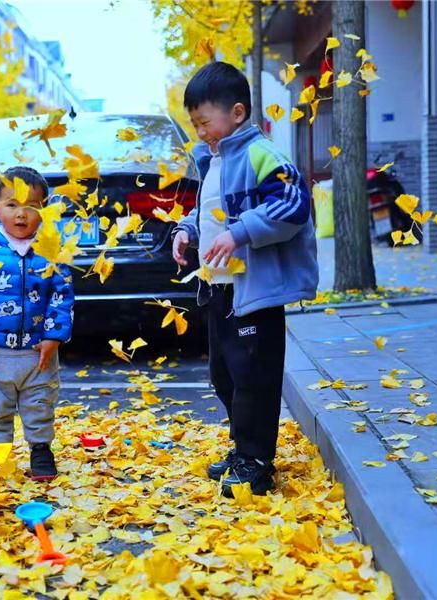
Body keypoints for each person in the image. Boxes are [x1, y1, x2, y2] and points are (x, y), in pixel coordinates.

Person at [172, 62, 318, 497]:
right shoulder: (213, 162)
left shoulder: (262, 154)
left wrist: (240, 232)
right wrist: (188, 231)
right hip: (220, 288)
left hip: (255, 290)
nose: (200, 131)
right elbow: (211, 212)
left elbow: (293, 205)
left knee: (254, 375)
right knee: (225, 374)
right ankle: (243, 449)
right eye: (194, 124)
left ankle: (256, 462)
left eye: (204, 121)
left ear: (236, 113)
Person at [0, 166, 74, 481]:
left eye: (31, 206)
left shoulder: (51, 250)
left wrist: (55, 336)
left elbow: (62, 295)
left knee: (40, 405)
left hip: (38, 352)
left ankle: (40, 450)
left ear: (44, 211)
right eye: (12, 205)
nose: (21, 214)